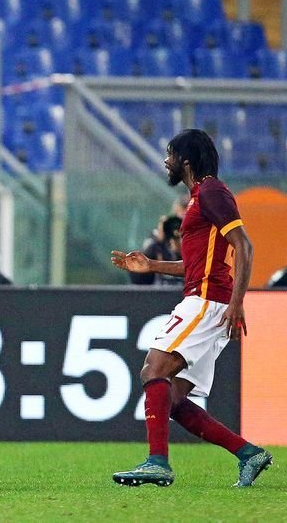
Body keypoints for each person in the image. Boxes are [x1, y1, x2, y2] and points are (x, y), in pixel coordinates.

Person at [110, 129, 271, 488]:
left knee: (153, 369)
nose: (165, 161)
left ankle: (157, 463)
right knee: (174, 399)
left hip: (207, 301)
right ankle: (248, 453)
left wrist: (237, 303)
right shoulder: (201, 197)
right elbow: (197, 264)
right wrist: (152, 265)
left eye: (170, 154)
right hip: (209, 299)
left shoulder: (212, 191)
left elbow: (244, 246)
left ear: (185, 160)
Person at [128, 214, 183, 286]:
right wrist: (158, 240)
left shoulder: (185, 244)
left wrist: (179, 244)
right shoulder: (154, 246)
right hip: (160, 288)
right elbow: (139, 276)